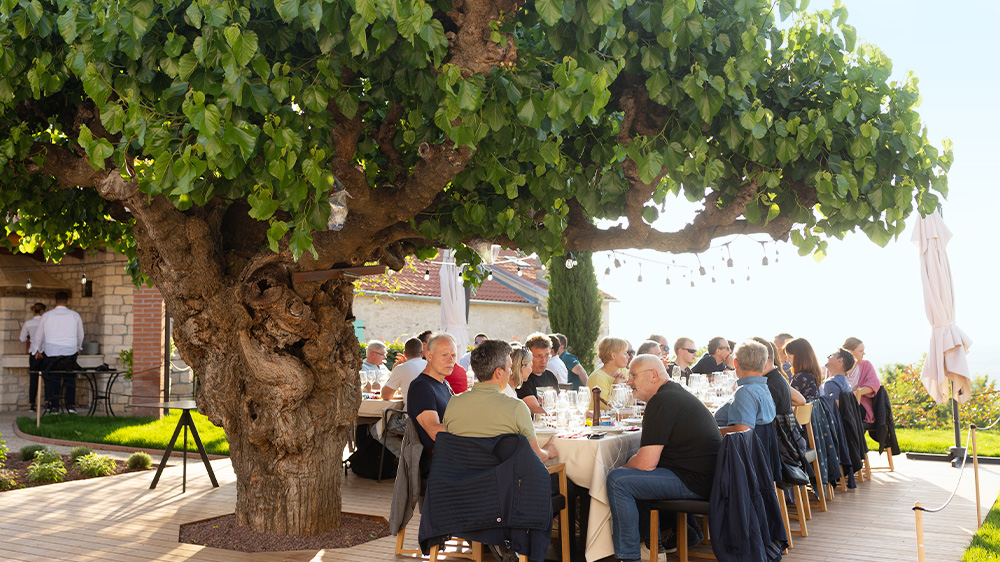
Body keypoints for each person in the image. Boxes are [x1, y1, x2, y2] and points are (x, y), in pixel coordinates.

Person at [605, 354, 721, 562]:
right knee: (630, 471)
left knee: (618, 481)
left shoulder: (661, 400)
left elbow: (646, 463)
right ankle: (651, 547)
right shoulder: (671, 394)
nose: (629, 381)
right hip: (705, 476)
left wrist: (624, 466)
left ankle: (629, 556)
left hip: (696, 481)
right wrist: (631, 464)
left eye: (633, 375)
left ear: (653, 375)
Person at [443, 339, 558, 462]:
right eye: (509, 368)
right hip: (501, 478)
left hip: (460, 477)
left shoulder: (454, 403)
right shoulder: (516, 407)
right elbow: (536, 457)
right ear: (498, 372)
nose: (511, 372)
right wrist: (549, 451)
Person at [406, 333, 457, 466]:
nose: (450, 360)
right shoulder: (421, 387)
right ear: (429, 356)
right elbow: (434, 432)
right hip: (440, 462)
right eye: (444, 355)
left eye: (453, 355)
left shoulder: (444, 383)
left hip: (453, 451)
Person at [34, 291, 84, 414]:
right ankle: (71, 406)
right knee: (70, 378)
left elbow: (39, 335)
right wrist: (78, 347)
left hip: (52, 352)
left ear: (55, 301)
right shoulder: (75, 315)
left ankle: (54, 406)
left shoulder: (46, 316)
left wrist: (38, 350)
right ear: (67, 302)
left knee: (54, 379)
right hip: (69, 351)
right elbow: (80, 334)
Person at [717, 341, 776, 435]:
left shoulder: (745, 392)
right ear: (765, 366)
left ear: (735, 363)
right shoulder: (764, 389)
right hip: (760, 446)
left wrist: (711, 431)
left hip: (732, 447)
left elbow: (742, 431)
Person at [515, 333, 560, 415]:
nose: (543, 360)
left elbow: (560, 403)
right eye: (539, 356)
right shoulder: (523, 379)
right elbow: (535, 410)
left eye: (546, 355)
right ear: (528, 356)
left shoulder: (550, 376)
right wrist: (564, 413)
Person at [843, 337, 881, 424]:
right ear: (850, 351)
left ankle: (854, 437)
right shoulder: (836, 365)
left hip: (859, 404)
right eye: (861, 351)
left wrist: (854, 394)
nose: (864, 353)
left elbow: (874, 385)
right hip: (838, 404)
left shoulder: (866, 365)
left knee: (848, 414)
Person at [587, 336, 630, 407]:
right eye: (625, 353)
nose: (628, 357)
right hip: (599, 417)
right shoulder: (597, 378)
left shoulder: (623, 371)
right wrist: (616, 385)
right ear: (613, 355)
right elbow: (609, 407)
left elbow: (631, 401)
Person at [19, 302, 46, 412]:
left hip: (33, 353)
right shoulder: (46, 322)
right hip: (45, 353)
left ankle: (32, 404)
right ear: (42, 311)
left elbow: (22, 339)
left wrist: (30, 337)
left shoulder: (28, 323)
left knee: (33, 379)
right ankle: (49, 402)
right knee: (48, 378)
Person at [382, 338, 426, 404]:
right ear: (422, 354)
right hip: (436, 413)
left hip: (411, 413)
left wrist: (393, 371)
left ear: (404, 353)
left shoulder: (401, 368)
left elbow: (385, 395)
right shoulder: (431, 366)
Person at [783, 337, 822, 402]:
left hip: (801, 412)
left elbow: (787, 400)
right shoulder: (813, 374)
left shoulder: (800, 377)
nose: (787, 360)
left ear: (799, 358)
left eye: (789, 357)